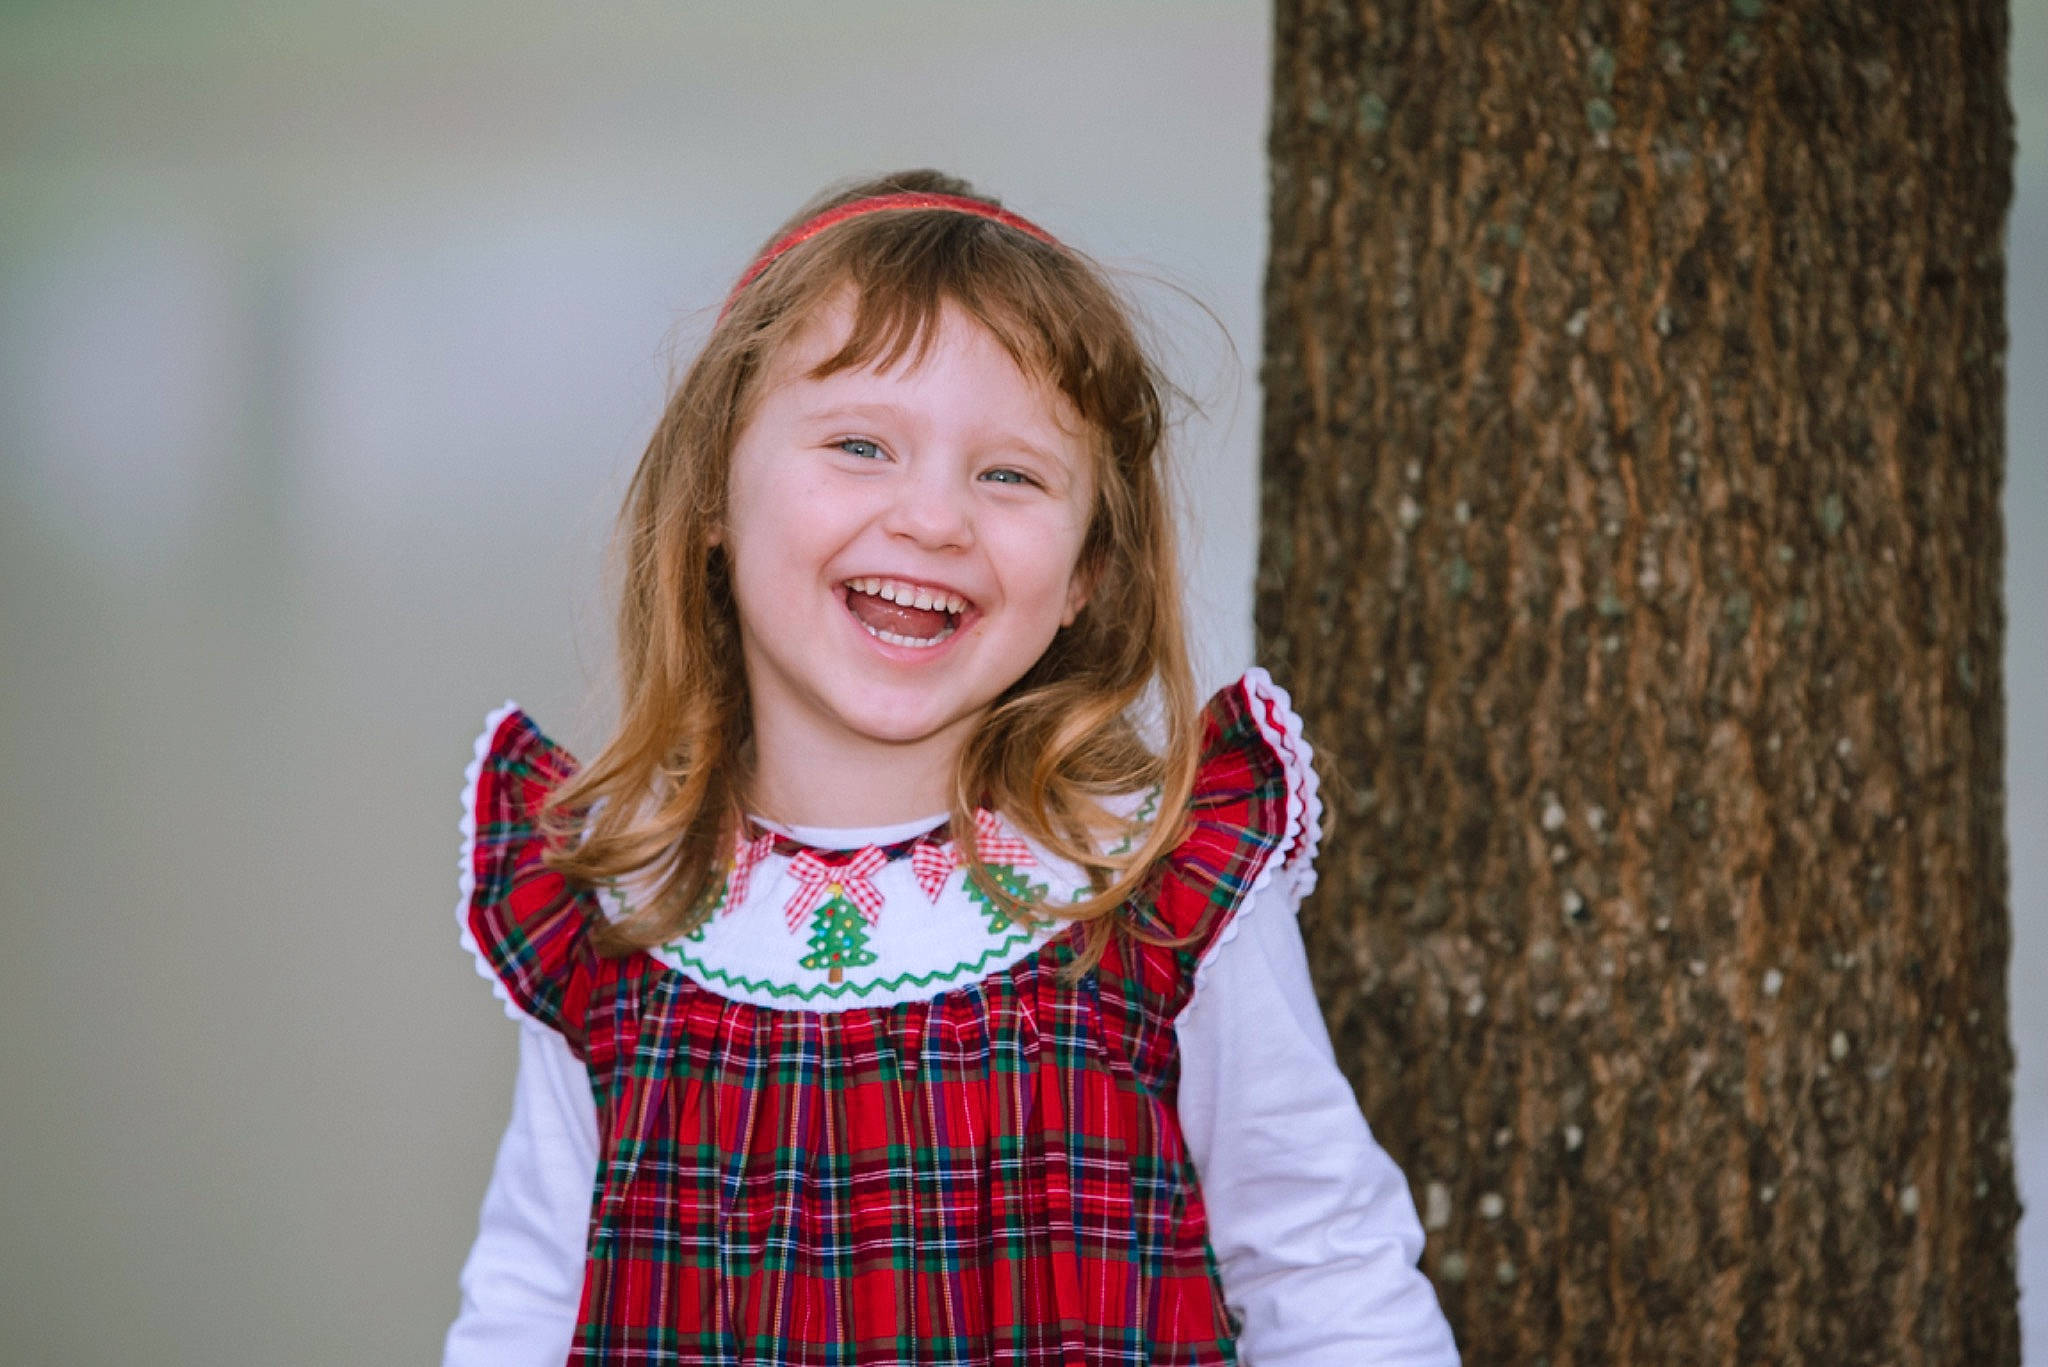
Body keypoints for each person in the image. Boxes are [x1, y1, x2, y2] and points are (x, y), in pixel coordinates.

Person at [445, 169, 1459, 1366]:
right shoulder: (619, 902)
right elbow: (525, 1298)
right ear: (712, 487)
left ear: (1089, 567)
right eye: (861, 443)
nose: (932, 517)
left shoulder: (1149, 882)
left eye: (1009, 473)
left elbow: (1322, 1263)